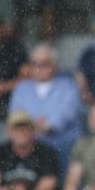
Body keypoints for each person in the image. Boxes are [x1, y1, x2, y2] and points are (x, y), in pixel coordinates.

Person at [9, 43, 81, 176]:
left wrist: (42, 125)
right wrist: (36, 126)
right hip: (29, 146)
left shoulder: (69, 86)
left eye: (44, 63)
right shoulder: (21, 88)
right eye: (35, 63)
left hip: (60, 144)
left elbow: (65, 116)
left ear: (55, 65)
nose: (38, 68)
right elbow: (15, 116)